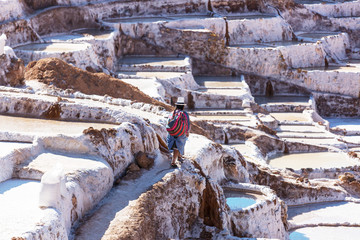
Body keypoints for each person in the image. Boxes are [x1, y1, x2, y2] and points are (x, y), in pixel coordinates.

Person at [166, 97, 190, 168]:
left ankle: (179, 156)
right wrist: (187, 132)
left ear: (176, 106)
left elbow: (168, 122)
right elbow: (187, 124)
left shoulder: (172, 113)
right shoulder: (184, 114)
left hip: (171, 132)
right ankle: (173, 162)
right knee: (178, 145)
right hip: (180, 133)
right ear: (183, 106)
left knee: (174, 145)